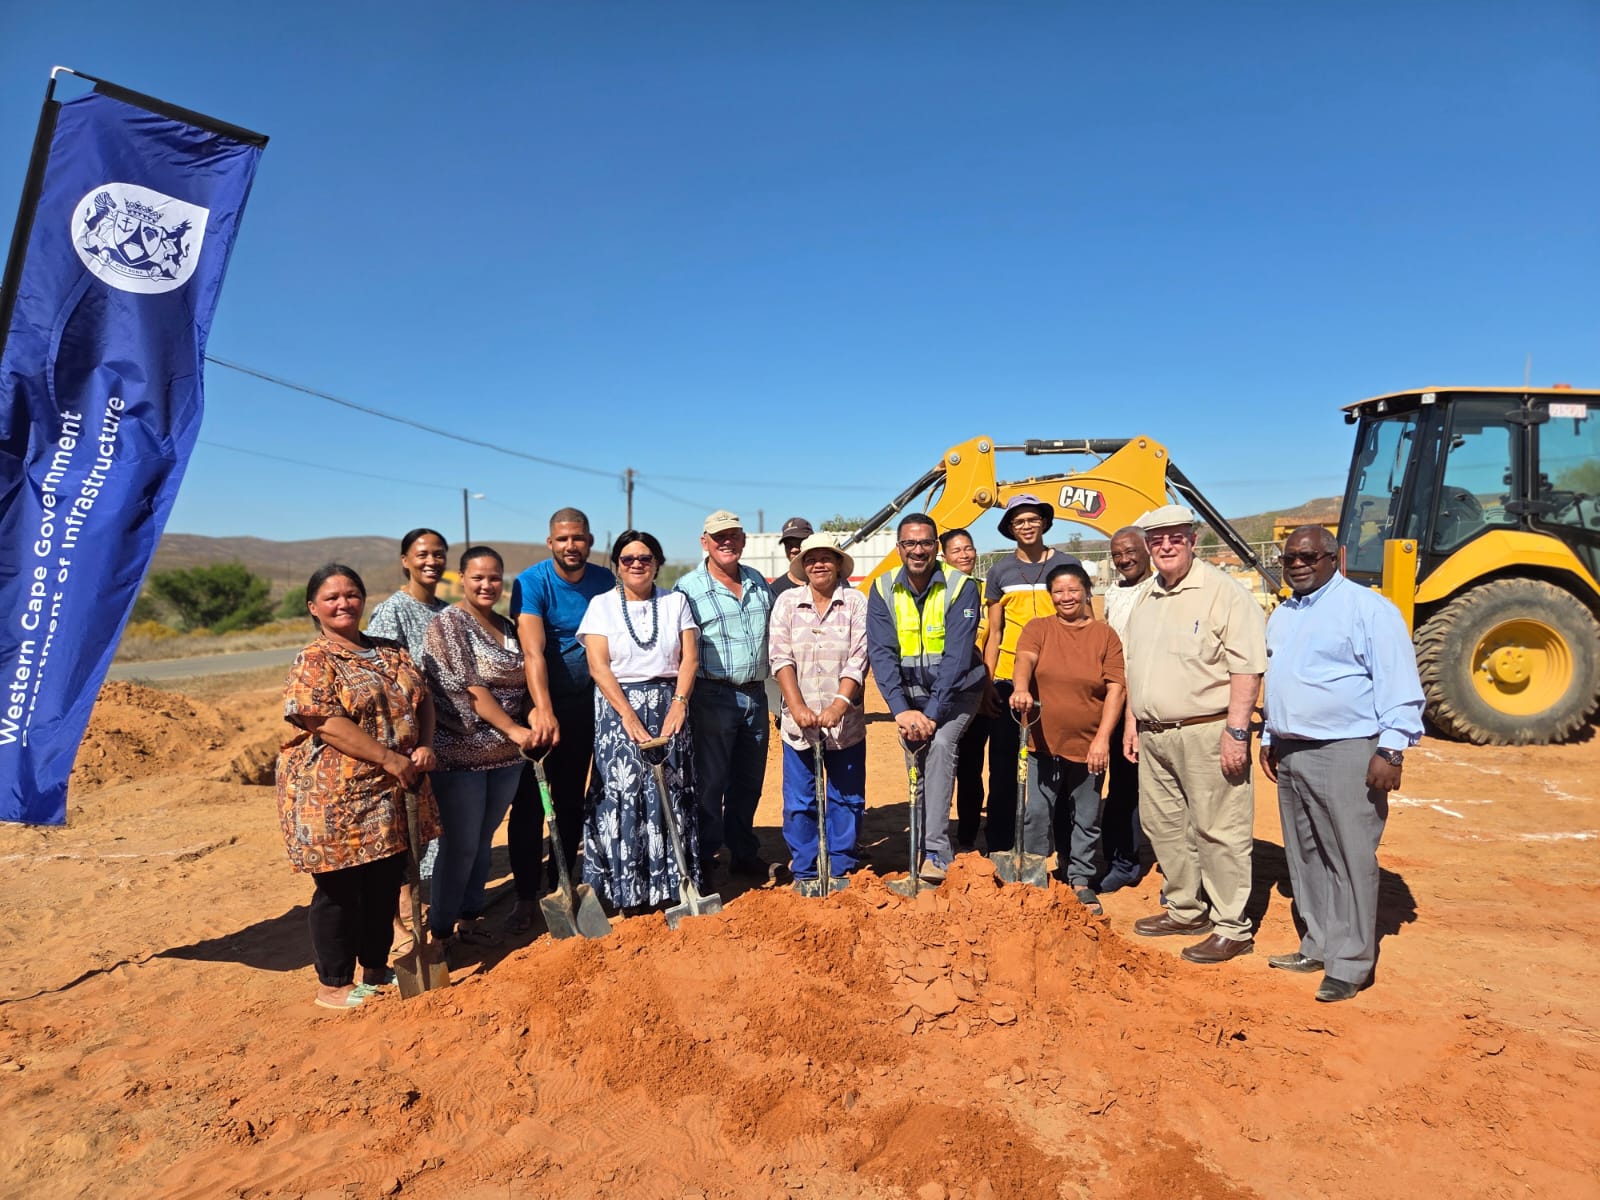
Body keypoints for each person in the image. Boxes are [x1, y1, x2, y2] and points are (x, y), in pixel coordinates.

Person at [1260, 525, 1424, 1002]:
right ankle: (1318, 944)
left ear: (1334, 558)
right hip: (1292, 750)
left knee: (1349, 857)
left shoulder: (1367, 609)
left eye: (1308, 556)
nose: (1297, 564)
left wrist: (1391, 749)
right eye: (1289, 558)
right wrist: (1271, 735)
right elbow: (1281, 679)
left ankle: (1350, 963)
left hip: (1346, 749)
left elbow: (1398, 681)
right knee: (1305, 854)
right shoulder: (1284, 614)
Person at [276, 564, 439, 1010]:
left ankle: (375, 968)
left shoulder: (390, 650)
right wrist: (388, 757)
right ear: (313, 607)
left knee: (384, 883)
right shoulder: (314, 660)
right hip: (335, 796)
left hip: (393, 789)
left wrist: (425, 746)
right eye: (331, 597)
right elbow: (324, 722)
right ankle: (333, 984)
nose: (343, 603)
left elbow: (422, 700)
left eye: (351, 594)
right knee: (341, 890)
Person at [1122, 505, 1266, 964]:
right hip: (1153, 734)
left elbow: (1247, 668)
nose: (1166, 546)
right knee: (1163, 826)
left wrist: (1237, 732)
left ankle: (1231, 926)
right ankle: (1185, 908)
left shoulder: (1223, 593)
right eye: (1157, 539)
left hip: (1207, 731)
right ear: (1148, 546)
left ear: (1192, 540)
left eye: (1175, 537)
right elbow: (1134, 666)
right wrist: (1133, 723)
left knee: (1219, 828)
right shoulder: (1147, 596)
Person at [506, 508, 616, 933]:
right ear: (550, 542)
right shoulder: (532, 582)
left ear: (590, 541)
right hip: (538, 706)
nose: (571, 546)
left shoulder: (604, 580)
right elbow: (533, 651)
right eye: (563, 539)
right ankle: (524, 895)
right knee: (531, 804)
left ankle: (562, 885)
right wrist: (544, 708)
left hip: (585, 706)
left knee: (570, 801)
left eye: (578, 538)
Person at [578, 530, 700, 912]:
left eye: (645, 558)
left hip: (669, 706)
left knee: (671, 791)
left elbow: (690, 658)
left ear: (657, 563)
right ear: (617, 565)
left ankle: (674, 885)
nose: (636, 564)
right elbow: (598, 666)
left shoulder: (676, 602)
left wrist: (679, 703)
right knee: (624, 793)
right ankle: (628, 891)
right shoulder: (601, 605)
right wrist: (628, 715)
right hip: (618, 709)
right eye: (628, 559)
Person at [421, 546, 535, 950]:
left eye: (494, 578)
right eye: (478, 577)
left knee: (483, 840)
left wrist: (533, 717)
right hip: (460, 756)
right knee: (460, 846)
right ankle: (440, 933)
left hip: (506, 758)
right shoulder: (448, 624)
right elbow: (470, 690)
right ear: (462, 580)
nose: (487, 585)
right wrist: (514, 729)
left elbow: (526, 680)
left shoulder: (508, 626)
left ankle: (469, 920)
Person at [866, 512, 986, 880]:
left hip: (958, 693)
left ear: (936, 547)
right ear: (899, 548)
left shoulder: (961, 586)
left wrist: (932, 714)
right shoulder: (883, 587)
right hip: (910, 698)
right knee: (915, 761)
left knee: (940, 747)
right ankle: (918, 844)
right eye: (910, 543)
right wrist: (901, 711)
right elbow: (882, 654)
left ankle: (936, 852)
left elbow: (957, 658)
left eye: (925, 543)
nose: (918, 550)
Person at [1008, 563, 1126, 914]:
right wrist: (1020, 688)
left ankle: (1080, 880)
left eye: (1073, 589)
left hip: (1089, 746)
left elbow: (1116, 688)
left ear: (1087, 591)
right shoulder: (1039, 628)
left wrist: (1102, 739)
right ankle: (1032, 877)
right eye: (1058, 591)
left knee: (1086, 818)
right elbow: (1024, 658)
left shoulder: (1105, 636)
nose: (1066, 597)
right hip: (1041, 742)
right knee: (1036, 812)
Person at [676, 510, 775, 879]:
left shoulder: (757, 582)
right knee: (710, 782)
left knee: (748, 782)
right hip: (712, 697)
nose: (727, 542)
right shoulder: (688, 589)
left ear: (743, 540)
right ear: (705, 542)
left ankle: (743, 852)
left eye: (733, 535)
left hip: (755, 695)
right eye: (719, 537)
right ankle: (704, 857)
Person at [364, 527, 450, 948]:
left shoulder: (447, 612)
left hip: (442, 737)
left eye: (438, 554)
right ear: (405, 560)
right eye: (422, 554)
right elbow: (382, 680)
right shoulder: (391, 612)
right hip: (406, 738)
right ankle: (400, 924)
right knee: (402, 832)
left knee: (429, 829)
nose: (431, 561)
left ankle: (424, 910)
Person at [982, 495, 1081, 853]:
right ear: (1010, 528)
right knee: (1004, 765)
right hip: (1009, 680)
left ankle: (1057, 844)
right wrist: (987, 683)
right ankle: (1000, 843)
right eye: (1018, 521)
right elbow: (995, 632)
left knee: (1057, 763)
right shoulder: (1000, 572)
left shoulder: (1068, 564)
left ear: (1044, 523)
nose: (1026, 526)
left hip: (1057, 681)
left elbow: (1083, 620)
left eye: (1032, 519)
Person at [768, 533, 869, 882]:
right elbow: (780, 656)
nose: (818, 565)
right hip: (799, 725)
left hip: (846, 723)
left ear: (838, 564)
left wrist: (840, 704)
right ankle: (807, 870)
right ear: (803, 566)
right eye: (811, 560)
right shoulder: (786, 602)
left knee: (847, 797)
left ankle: (841, 866)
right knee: (800, 801)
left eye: (826, 558)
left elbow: (859, 657)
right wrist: (797, 707)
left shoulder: (855, 602)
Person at [1097, 526, 1156, 891]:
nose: (1124, 559)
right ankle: (1122, 861)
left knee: (1163, 791)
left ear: (1147, 550)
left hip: (1154, 700)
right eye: (1117, 554)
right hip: (1119, 700)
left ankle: (1179, 873)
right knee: (1121, 787)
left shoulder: (1160, 589)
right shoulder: (1113, 594)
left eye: (1131, 551)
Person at [939, 527, 993, 851]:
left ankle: (968, 836)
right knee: (942, 765)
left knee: (972, 768)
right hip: (945, 692)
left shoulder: (985, 590)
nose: (964, 554)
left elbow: (994, 637)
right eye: (956, 550)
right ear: (944, 557)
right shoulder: (937, 592)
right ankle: (937, 836)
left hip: (979, 689)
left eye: (968, 548)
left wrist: (987, 684)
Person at [768, 516, 815, 596]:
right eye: (789, 545)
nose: (794, 550)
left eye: (799, 543)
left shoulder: (830, 583)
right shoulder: (775, 590)